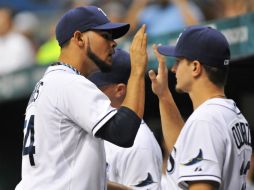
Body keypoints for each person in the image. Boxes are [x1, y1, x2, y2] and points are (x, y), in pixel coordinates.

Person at [15, 5, 148, 190]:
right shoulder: (68, 82)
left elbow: (72, 175)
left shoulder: (52, 82)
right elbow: (123, 133)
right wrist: (138, 70)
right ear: (79, 38)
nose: (114, 43)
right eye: (105, 36)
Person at [149, 25, 252, 189]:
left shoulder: (206, 120)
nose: (173, 69)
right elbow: (183, 152)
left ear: (195, 67)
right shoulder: (232, 113)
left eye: (178, 62)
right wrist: (163, 95)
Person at [88, 48, 163, 190]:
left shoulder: (139, 142)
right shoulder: (97, 126)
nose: (87, 92)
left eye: (94, 87)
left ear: (119, 90)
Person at [0, 7, 35, 75]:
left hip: (19, 81)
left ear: (10, 22)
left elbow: (15, 67)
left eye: (2, 20)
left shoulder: (20, 41)